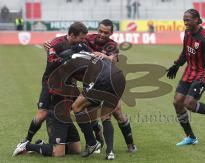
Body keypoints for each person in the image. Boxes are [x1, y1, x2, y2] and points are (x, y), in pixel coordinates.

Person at [44, 19, 137, 160]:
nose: (101, 34)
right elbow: (71, 41)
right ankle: (97, 140)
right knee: (85, 110)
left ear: (111, 33)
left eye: (106, 32)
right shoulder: (88, 39)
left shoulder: (111, 45)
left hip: (107, 79)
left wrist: (105, 56)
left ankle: (129, 143)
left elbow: (113, 58)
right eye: (100, 31)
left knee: (116, 111)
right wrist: (51, 46)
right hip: (93, 80)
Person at [12, 22, 93, 156]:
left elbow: (90, 54)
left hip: (69, 85)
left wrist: (101, 56)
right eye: (81, 38)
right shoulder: (56, 43)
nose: (83, 41)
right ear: (72, 35)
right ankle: (27, 142)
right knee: (43, 113)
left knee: (81, 108)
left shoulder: (81, 45)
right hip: (51, 84)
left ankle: (92, 142)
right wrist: (71, 57)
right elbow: (52, 61)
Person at [166, 9, 205, 146]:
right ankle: (191, 137)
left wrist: (203, 81)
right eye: (184, 20)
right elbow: (185, 53)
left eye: (187, 20)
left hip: (202, 74)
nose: (185, 22)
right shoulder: (187, 33)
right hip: (189, 72)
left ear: (196, 20)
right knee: (177, 102)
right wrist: (176, 65)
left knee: (189, 104)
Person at [12, 95, 81, 157]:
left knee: (75, 150)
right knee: (58, 153)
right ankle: (26, 146)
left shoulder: (72, 81)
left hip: (66, 115)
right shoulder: (51, 81)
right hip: (56, 115)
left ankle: (42, 146)